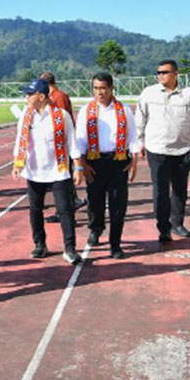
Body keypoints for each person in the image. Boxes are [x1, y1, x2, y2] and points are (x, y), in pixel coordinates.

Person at [11, 77, 84, 265]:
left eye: (30, 94)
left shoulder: (62, 116)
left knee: (65, 210)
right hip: (34, 171)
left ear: (41, 96)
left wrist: (78, 167)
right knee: (35, 209)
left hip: (58, 170)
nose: (26, 97)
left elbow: (72, 142)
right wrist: (17, 164)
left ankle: (70, 248)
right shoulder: (26, 117)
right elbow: (20, 141)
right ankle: (40, 244)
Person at [135, 60, 190, 243]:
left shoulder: (189, 94)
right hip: (157, 149)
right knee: (160, 191)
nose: (161, 75)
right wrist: (139, 142)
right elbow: (140, 119)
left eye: (165, 72)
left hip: (182, 150)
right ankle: (163, 228)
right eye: (158, 72)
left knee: (179, 189)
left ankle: (177, 223)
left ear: (176, 74)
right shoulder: (149, 93)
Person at [76, 73, 138, 259]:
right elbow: (80, 139)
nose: (99, 92)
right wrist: (82, 163)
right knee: (95, 200)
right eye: (95, 88)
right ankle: (96, 229)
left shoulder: (124, 110)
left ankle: (115, 243)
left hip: (118, 161)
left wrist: (134, 161)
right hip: (94, 161)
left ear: (111, 88)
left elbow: (132, 136)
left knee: (118, 203)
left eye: (103, 88)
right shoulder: (86, 111)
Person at [39, 71, 82, 222]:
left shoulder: (59, 97)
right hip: (55, 146)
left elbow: (62, 120)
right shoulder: (53, 97)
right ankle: (66, 207)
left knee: (64, 181)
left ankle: (67, 210)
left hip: (62, 146)